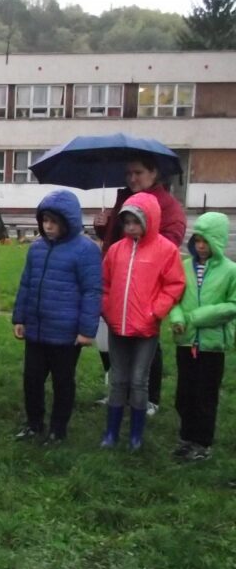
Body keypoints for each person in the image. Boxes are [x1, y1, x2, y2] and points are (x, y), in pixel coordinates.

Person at [93, 154, 187, 415]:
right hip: (117, 280)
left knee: (147, 346)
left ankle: (149, 397)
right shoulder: (124, 198)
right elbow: (116, 236)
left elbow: (169, 244)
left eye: (138, 173)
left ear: (154, 173)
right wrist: (103, 227)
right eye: (129, 174)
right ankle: (117, 391)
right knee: (111, 339)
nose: (132, 178)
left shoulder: (168, 206)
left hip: (146, 288)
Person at [11, 191, 102, 444]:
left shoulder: (86, 250)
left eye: (54, 221)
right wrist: (20, 318)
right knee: (32, 379)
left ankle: (58, 430)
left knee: (63, 383)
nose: (48, 226)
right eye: (44, 220)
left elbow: (92, 291)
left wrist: (86, 330)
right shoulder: (37, 248)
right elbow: (26, 283)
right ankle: (34, 424)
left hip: (66, 333)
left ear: (68, 221)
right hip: (37, 329)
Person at [100, 193, 185, 450]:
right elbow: (104, 283)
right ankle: (111, 433)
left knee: (138, 381)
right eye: (126, 222)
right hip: (117, 327)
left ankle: (136, 436)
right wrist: (107, 308)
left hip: (146, 330)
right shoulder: (116, 250)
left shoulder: (165, 250)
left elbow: (174, 284)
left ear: (149, 220)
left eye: (135, 222)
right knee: (118, 380)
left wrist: (155, 312)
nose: (130, 227)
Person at [168, 212, 236, 462]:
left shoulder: (231, 271)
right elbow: (173, 297)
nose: (200, 246)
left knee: (205, 396)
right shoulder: (184, 267)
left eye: (206, 241)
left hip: (211, 346)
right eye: (197, 240)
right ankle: (186, 438)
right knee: (184, 393)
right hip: (186, 342)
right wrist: (177, 319)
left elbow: (232, 306)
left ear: (216, 241)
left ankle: (203, 442)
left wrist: (197, 317)